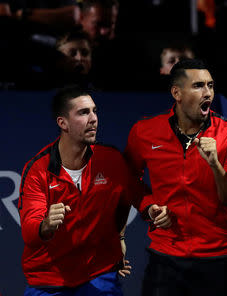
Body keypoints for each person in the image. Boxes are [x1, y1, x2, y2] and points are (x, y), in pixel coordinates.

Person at [18, 86, 160, 295]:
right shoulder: (38, 170)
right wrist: (45, 225)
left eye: (94, 111)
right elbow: (30, 230)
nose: (93, 118)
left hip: (98, 273)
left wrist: (151, 209)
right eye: (84, 112)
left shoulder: (111, 160)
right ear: (62, 123)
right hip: (49, 278)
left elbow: (138, 194)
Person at [124, 58, 227, 296]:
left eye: (210, 85)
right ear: (176, 93)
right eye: (199, 86)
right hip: (165, 258)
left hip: (220, 261)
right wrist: (149, 207)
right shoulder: (145, 132)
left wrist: (215, 165)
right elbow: (129, 180)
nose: (208, 93)